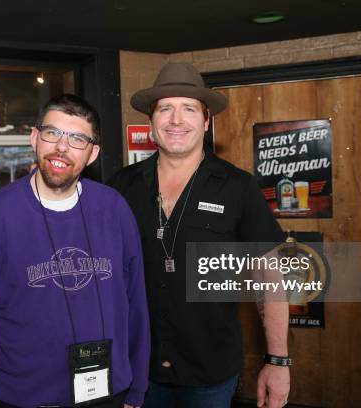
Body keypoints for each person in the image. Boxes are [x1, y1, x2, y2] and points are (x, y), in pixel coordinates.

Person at [0, 94, 150, 408]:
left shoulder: (114, 209)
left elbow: (135, 302)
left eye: (78, 138)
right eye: (53, 133)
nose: (62, 147)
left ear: (93, 153)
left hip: (106, 395)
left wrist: (137, 387)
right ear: (34, 138)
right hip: (22, 399)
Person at [108, 63, 290, 408]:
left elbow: (270, 277)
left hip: (210, 374)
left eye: (189, 108)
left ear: (206, 122)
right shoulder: (121, 186)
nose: (176, 120)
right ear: (151, 122)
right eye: (165, 108)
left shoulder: (238, 186)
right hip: (136, 370)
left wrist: (278, 360)